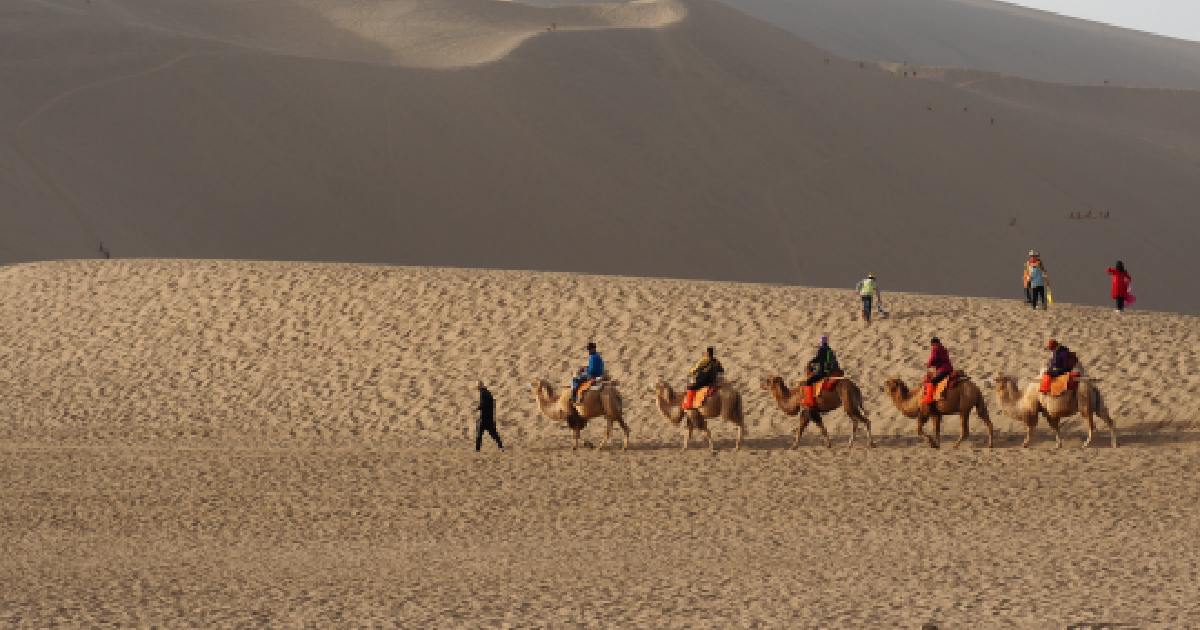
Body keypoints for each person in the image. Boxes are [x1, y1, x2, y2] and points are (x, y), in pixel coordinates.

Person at [922, 337, 954, 405]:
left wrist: (929, 364)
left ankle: (929, 398)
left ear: (934, 343)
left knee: (932, 381)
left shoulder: (936, 349)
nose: (932, 347)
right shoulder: (943, 349)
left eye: (932, 345)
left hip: (943, 370)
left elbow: (934, 358)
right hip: (949, 369)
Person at [475, 382, 503, 451]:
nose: (477, 388)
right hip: (489, 417)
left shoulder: (483, 393)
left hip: (485, 418)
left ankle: (477, 449)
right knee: (493, 433)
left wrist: (478, 407)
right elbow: (492, 404)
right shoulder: (488, 393)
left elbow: (484, 404)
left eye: (478, 387)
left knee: (479, 434)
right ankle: (500, 446)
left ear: (480, 387)